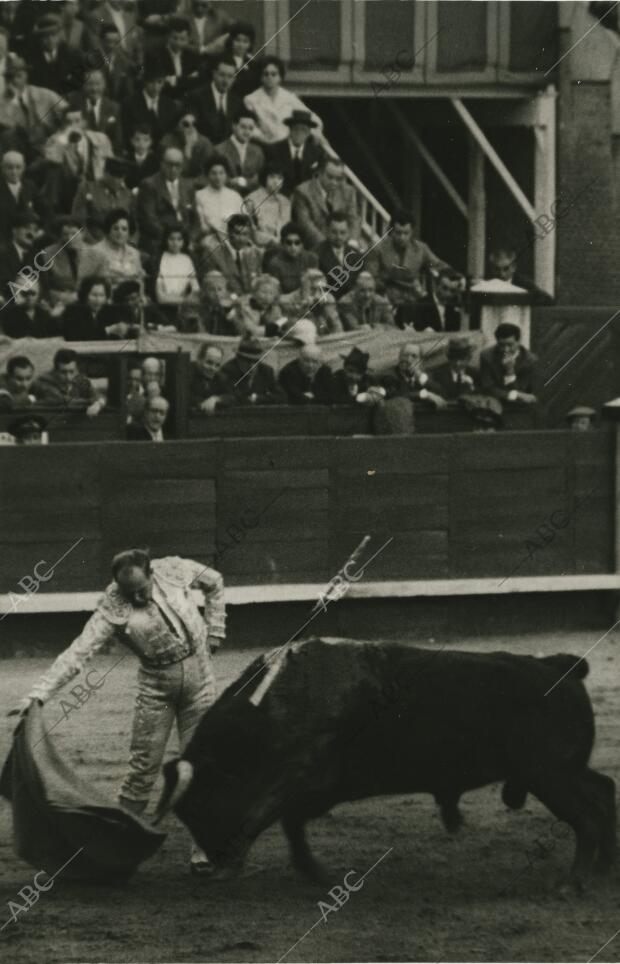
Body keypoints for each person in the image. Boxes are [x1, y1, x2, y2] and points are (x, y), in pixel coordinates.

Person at [9, 547, 226, 875]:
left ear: (153, 573)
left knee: (201, 766)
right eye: (130, 592)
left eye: (142, 589)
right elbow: (78, 653)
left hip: (201, 680)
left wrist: (216, 630)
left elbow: (215, 582)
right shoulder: (113, 605)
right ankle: (115, 851)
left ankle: (204, 849)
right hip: (157, 689)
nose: (138, 597)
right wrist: (38, 694)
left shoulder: (175, 570)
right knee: (141, 772)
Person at [244, 56, 323, 146]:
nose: (270, 77)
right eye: (266, 74)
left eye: (274, 74)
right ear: (261, 77)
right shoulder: (251, 99)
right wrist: (262, 137)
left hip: (289, 144)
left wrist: (314, 133)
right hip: (265, 144)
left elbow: (314, 119)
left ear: (280, 77)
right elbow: (247, 126)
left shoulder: (289, 97)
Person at [367, 209, 451, 292]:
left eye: (406, 233)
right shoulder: (378, 248)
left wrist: (455, 276)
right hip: (385, 297)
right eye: (398, 233)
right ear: (391, 231)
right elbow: (371, 279)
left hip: (413, 299)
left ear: (412, 232)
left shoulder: (421, 249)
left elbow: (438, 264)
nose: (402, 238)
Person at [136, 148, 198, 257]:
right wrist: (171, 240)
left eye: (177, 165)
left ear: (182, 166)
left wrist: (189, 238)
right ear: (162, 164)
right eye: (169, 165)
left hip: (183, 239)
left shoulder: (188, 186)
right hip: (158, 238)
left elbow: (194, 218)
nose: (173, 169)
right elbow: (149, 219)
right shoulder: (149, 185)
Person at [291, 156, 360, 250]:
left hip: (343, 245)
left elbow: (353, 219)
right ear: (319, 173)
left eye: (338, 179)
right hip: (315, 247)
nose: (334, 182)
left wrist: (352, 241)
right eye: (330, 177)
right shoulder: (302, 192)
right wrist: (329, 248)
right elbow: (306, 226)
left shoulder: (349, 191)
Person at [77, 208, 144, 292]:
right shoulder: (94, 251)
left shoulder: (134, 253)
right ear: (108, 230)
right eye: (115, 228)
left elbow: (140, 281)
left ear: (129, 232)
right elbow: (82, 284)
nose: (120, 233)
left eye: (124, 229)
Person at [198, 212, 262, 295]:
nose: (241, 239)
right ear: (228, 232)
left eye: (245, 234)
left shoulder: (255, 253)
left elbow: (258, 283)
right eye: (237, 233)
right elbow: (211, 287)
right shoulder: (213, 254)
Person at [211, 334, 285, 405]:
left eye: (256, 361)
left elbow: (282, 397)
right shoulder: (226, 371)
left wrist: (258, 398)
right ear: (238, 358)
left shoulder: (267, 371)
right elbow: (235, 398)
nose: (251, 366)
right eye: (247, 360)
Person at [479, 322, 540, 407]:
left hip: (519, 409)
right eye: (501, 345)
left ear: (518, 342)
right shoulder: (487, 356)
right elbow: (487, 388)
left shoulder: (530, 360)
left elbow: (524, 393)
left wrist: (510, 371)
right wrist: (515, 395)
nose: (506, 349)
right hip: (493, 406)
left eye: (510, 345)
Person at [121, 63, 180, 151]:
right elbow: (127, 135)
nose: (156, 87)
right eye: (152, 82)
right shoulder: (129, 103)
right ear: (145, 82)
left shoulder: (170, 105)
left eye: (159, 82)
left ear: (164, 83)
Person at [267, 109, 325, 196]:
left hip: (307, 197)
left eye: (303, 130)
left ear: (309, 133)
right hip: (281, 196)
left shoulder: (317, 152)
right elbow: (272, 178)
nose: (299, 133)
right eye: (296, 129)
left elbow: (319, 179)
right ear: (290, 130)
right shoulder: (275, 150)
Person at [186, 54, 242, 144]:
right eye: (222, 75)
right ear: (214, 74)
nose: (226, 81)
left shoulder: (237, 101)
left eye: (230, 76)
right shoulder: (197, 96)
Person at [66, 68, 123, 156]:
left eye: (98, 84)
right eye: (90, 84)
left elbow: (118, 141)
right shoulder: (74, 104)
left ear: (104, 85)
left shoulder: (114, 108)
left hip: (105, 157)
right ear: (84, 86)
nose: (94, 88)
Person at [32, 347, 104, 415]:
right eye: (63, 372)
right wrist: (93, 401)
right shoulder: (43, 382)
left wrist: (98, 403)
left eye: (71, 372)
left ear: (77, 369)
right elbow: (64, 402)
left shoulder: (79, 379)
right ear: (55, 370)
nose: (68, 377)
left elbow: (98, 395)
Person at [27, 13, 85, 96]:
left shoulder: (73, 55)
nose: (50, 40)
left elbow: (79, 84)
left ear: (59, 35)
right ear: (39, 38)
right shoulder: (31, 58)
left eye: (53, 35)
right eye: (45, 36)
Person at [70, 156, 135, 229]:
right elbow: (78, 220)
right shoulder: (88, 189)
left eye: (121, 177)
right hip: (94, 237)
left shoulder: (127, 195)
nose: (117, 181)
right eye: (114, 175)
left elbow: (134, 224)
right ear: (105, 173)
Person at [147, 16, 201, 98]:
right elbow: (162, 84)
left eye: (182, 39)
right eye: (174, 38)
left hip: (187, 98)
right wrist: (186, 79)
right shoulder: (155, 55)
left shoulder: (192, 56)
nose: (178, 43)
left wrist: (174, 80)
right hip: (165, 98)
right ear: (168, 36)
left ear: (188, 39)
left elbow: (198, 81)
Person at [154, 223, 200, 322]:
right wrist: (184, 300)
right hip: (162, 309)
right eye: (171, 239)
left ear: (184, 241)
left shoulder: (187, 260)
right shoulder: (159, 259)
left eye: (179, 239)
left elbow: (196, 289)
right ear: (166, 240)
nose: (175, 243)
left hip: (183, 309)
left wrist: (187, 301)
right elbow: (160, 297)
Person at [214, 108, 265, 196]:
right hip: (224, 196)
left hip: (251, 198)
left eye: (251, 128)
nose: (247, 132)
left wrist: (246, 182)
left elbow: (261, 177)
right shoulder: (219, 150)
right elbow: (210, 176)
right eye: (243, 127)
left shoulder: (257, 151)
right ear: (234, 126)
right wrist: (231, 181)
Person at [194, 154, 244, 241]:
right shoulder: (200, 195)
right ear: (207, 175)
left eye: (221, 173)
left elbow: (243, 221)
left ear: (226, 174)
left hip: (234, 238)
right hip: (211, 238)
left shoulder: (235, 196)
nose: (218, 177)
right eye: (214, 173)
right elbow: (202, 225)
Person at [383, 343, 446, 409]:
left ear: (420, 361)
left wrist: (420, 377)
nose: (408, 359)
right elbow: (396, 395)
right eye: (405, 355)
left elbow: (442, 393)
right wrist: (424, 394)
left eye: (414, 356)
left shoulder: (425, 375)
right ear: (399, 357)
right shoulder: (389, 375)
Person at [281, 267, 342, 336]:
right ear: (303, 287)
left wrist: (324, 313)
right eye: (312, 289)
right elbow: (286, 330)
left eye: (321, 289)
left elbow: (336, 328)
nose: (317, 294)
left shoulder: (328, 298)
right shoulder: (287, 300)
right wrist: (304, 308)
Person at [317, 210, 363, 299]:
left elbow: (358, 283)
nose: (339, 237)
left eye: (343, 232)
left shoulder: (356, 255)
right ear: (326, 231)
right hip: (327, 302)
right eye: (334, 232)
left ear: (348, 232)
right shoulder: (317, 253)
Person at [487, 247, 555, 305]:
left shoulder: (524, 284)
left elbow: (548, 300)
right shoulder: (485, 283)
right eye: (496, 269)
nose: (501, 274)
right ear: (491, 268)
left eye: (506, 269)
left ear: (514, 267)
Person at [244, 164, 291, 247]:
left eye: (279, 178)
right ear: (265, 178)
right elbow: (251, 230)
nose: (276, 182)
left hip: (282, 246)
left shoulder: (285, 202)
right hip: (258, 246)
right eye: (272, 177)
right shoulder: (251, 199)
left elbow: (287, 229)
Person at [265, 222, 318, 295]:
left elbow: (315, 285)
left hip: (309, 297)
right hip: (286, 300)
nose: (293, 247)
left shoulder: (311, 258)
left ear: (303, 244)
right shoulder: (275, 263)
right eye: (289, 243)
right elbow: (275, 292)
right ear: (282, 243)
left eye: (297, 243)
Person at [61, 275, 119, 341]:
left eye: (102, 295)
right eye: (94, 295)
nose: (98, 300)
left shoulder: (110, 312)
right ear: (85, 295)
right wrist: (108, 330)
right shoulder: (72, 311)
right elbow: (80, 337)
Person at [159, 111, 214, 179]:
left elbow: (207, 172)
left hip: (199, 184)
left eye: (194, 124)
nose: (191, 128)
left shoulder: (205, 143)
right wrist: (188, 148)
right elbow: (173, 172)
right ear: (177, 125)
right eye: (186, 124)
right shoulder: (167, 141)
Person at [0, 150, 39, 244]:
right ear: (2, 168)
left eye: (18, 167)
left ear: (24, 168)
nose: (14, 172)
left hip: (27, 236)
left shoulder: (29, 186)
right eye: (9, 168)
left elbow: (44, 210)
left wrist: (40, 230)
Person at [409, 269, 465, 333]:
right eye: (445, 288)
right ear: (436, 285)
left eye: (452, 291)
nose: (448, 294)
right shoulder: (422, 304)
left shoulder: (454, 308)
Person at [223, 20, 260, 99]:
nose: (241, 45)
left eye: (245, 41)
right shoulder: (222, 60)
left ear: (250, 44)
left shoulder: (253, 65)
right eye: (237, 40)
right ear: (231, 41)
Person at [190, 343, 224, 412]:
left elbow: (233, 395)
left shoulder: (219, 376)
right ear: (199, 359)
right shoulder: (186, 372)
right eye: (209, 363)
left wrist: (216, 399)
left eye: (217, 365)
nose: (213, 368)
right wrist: (203, 402)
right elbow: (185, 397)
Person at [124, 124, 159, 189]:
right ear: (131, 141)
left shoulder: (155, 161)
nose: (141, 144)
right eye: (137, 139)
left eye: (146, 140)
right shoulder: (126, 159)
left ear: (151, 142)